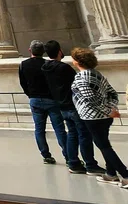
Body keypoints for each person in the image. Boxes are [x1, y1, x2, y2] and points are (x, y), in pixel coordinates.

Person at [42, 40, 105, 175]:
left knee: (72, 134)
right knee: (84, 134)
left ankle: (73, 163)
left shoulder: (45, 68)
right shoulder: (64, 68)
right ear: (59, 51)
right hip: (74, 105)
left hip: (61, 105)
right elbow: (76, 84)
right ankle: (90, 164)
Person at [70, 48, 128, 188]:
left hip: (92, 117)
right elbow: (113, 93)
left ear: (77, 62)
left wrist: (108, 111)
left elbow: (91, 100)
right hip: (104, 117)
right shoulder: (97, 74)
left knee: (104, 146)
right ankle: (110, 174)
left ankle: (125, 175)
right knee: (104, 143)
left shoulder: (80, 78)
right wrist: (112, 109)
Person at [19, 40, 68, 164]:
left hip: (35, 99)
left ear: (30, 50)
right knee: (59, 129)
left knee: (39, 129)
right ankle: (68, 156)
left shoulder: (23, 65)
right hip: (51, 99)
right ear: (43, 52)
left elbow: (23, 83)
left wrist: (30, 94)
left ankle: (46, 155)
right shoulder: (48, 64)